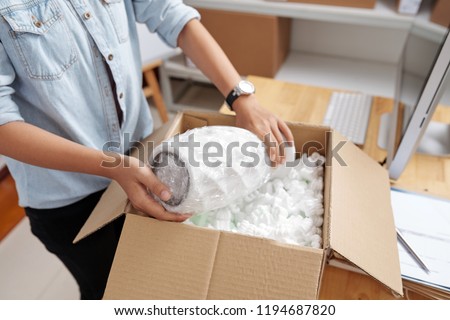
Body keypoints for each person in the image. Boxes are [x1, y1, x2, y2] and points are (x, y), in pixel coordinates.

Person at [0, 0, 293, 299]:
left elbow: (170, 14)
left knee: (162, 281)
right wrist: (111, 165)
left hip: (146, 158)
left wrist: (241, 97)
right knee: (111, 291)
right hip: (68, 198)